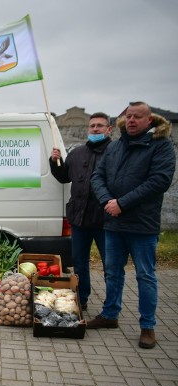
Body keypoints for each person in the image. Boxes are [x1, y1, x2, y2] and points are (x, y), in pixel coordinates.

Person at [89, 102, 176, 349]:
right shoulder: (116, 147)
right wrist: (107, 201)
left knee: (145, 276)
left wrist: (122, 204)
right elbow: (98, 176)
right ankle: (109, 315)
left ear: (150, 120)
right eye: (128, 116)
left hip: (142, 226)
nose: (131, 121)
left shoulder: (161, 146)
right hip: (114, 223)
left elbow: (159, 181)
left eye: (137, 117)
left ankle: (148, 326)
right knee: (113, 272)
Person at [49, 112, 112, 310]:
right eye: (92, 126)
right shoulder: (77, 153)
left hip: (105, 220)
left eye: (100, 126)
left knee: (110, 265)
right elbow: (64, 177)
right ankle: (82, 298)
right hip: (79, 218)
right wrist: (54, 161)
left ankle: (111, 304)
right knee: (80, 263)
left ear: (109, 129)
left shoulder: (115, 152)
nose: (95, 129)